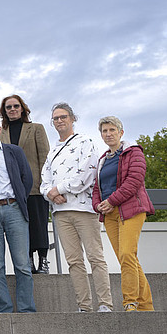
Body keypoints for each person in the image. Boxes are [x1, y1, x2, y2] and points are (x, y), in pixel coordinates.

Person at [40, 103, 112, 312]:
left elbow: (86, 175)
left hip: (84, 210)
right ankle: (84, 306)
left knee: (95, 257)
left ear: (72, 119)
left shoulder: (85, 142)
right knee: (74, 261)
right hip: (60, 213)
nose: (59, 121)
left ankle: (105, 303)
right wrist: (51, 193)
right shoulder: (53, 150)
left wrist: (58, 189)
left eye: (63, 117)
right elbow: (44, 181)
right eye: (55, 118)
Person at [93, 116, 154, 312]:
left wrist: (112, 201)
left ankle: (130, 302)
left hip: (131, 210)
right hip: (110, 215)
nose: (108, 134)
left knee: (127, 254)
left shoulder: (134, 152)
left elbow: (134, 181)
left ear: (121, 132)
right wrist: (98, 205)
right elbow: (97, 188)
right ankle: (146, 307)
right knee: (127, 258)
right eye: (104, 131)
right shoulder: (103, 160)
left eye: (112, 130)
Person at [0, 116, 35, 313]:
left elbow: (27, 179)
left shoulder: (15, 151)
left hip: (14, 209)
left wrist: (18, 200)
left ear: (0, 129)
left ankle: (26, 310)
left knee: (22, 264)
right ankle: (4, 310)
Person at [0, 94, 52, 274]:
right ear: (4, 111)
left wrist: (45, 184)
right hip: (12, 189)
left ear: (22, 108)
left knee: (39, 224)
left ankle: (43, 261)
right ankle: (28, 261)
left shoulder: (36, 128)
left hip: (35, 187)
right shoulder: (1, 132)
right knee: (21, 227)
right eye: (8, 107)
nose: (12, 109)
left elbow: (44, 157)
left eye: (16, 106)